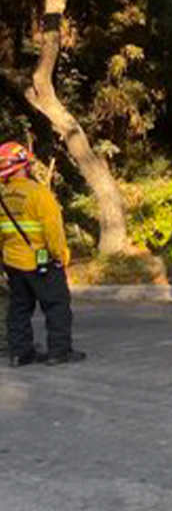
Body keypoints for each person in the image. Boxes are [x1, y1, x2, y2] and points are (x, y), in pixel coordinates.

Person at [0, 142, 84, 367]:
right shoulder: (39, 193)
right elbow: (52, 230)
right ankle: (59, 351)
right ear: (23, 165)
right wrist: (60, 254)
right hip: (41, 260)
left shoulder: (3, 197)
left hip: (13, 262)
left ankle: (20, 354)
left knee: (19, 309)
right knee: (56, 305)